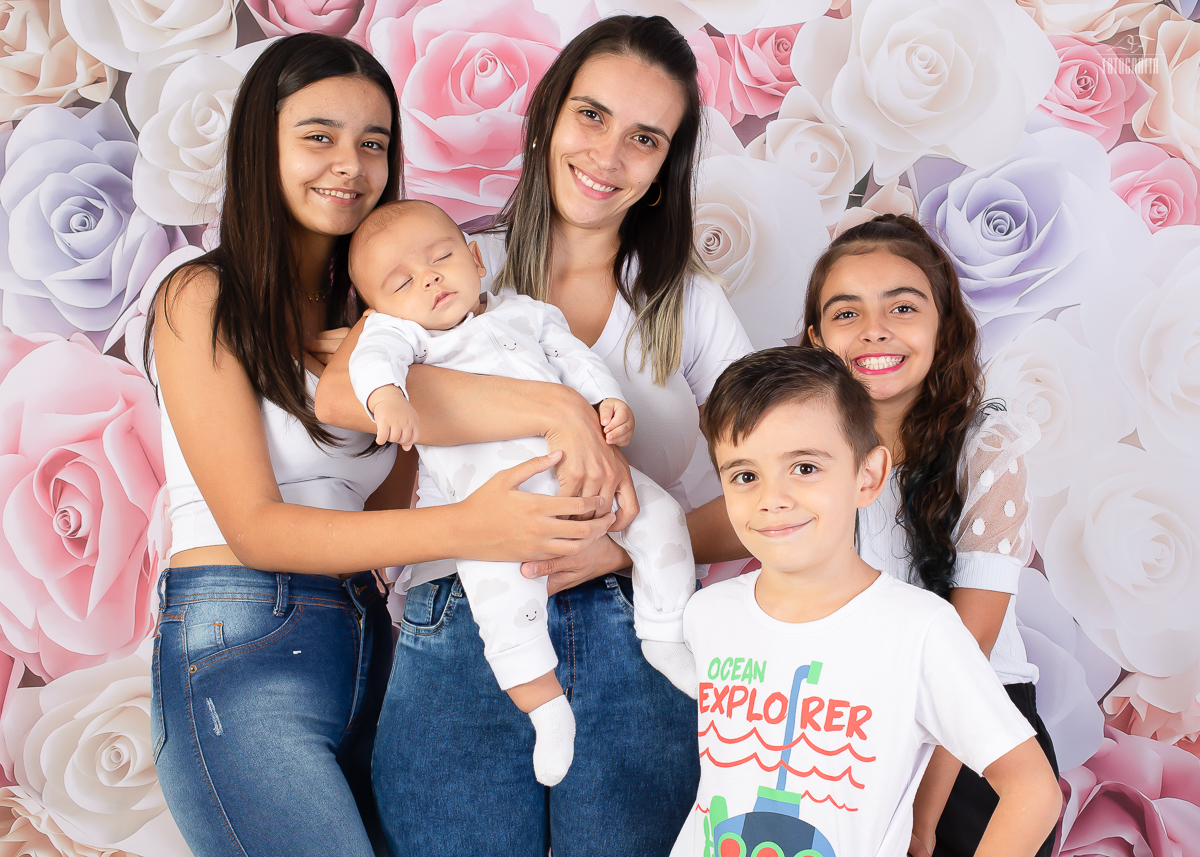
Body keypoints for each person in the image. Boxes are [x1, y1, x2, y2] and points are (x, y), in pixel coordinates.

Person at [146, 34, 623, 857]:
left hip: (368, 638)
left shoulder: (387, 324)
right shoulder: (202, 294)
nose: (351, 164)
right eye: (319, 136)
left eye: (374, 143)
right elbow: (256, 527)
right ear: (262, 145)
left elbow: (400, 496)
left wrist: (566, 418)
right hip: (240, 640)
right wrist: (475, 525)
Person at [316, 15, 754, 855]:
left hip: (641, 623)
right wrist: (556, 410)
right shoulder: (448, 261)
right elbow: (345, 391)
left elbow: (770, 491)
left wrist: (618, 551)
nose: (608, 155)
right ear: (548, 116)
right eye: (591, 115)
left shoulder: (688, 304)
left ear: (665, 167)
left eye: (645, 138)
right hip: (464, 611)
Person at [345, 199, 698, 786]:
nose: (428, 278)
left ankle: (665, 632)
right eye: (402, 282)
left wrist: (608, 401)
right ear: (378, 307)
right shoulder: (403, 336)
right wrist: (387, 398)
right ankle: (544, 707)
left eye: (440, 258)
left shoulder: (527, 314)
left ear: (476, 259)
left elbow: (574, 358)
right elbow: (371, 361)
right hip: (497, 516)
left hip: (585, 477)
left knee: (660, 516)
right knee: (503, 603)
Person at [674, 346, 1062, 857]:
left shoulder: (920, 629)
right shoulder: (707, 614)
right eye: (745, 476)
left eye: (805, 467)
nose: (772, 499)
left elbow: (1033, 789)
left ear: (868, 476)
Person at [799, 214, 1059, 857]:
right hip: (855, 730)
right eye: (846, 312)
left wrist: (921, 815)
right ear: (815, 340)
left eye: (903, 307)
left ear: (944, 329)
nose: (874, 329)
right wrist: (611, 548)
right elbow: (721, 524)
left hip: (975, 746)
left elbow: (965, 660)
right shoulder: (807, 458)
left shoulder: (986, 451)